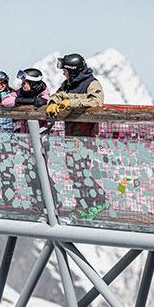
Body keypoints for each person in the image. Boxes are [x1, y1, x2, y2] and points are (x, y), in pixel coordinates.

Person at [46, 53, 108, 219]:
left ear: (72, 70)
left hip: (85, 137)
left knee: (82, 172)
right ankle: (83, 204)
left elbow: (96, 101)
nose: (63, 73)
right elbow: (57, 95)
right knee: (74, 172)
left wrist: (71, 102)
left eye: (65, 70)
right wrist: (52, 103)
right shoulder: (67, 84)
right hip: (71, 136)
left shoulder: (91, 83)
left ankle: (98, 201)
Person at [2, 68, 51, 132]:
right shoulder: (21, 92)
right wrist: (22, 100)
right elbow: (5, 101)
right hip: (24, 137)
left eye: (24, 83)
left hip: (40, 137)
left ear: (33, 84)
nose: (21, 85)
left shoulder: (44, 96)